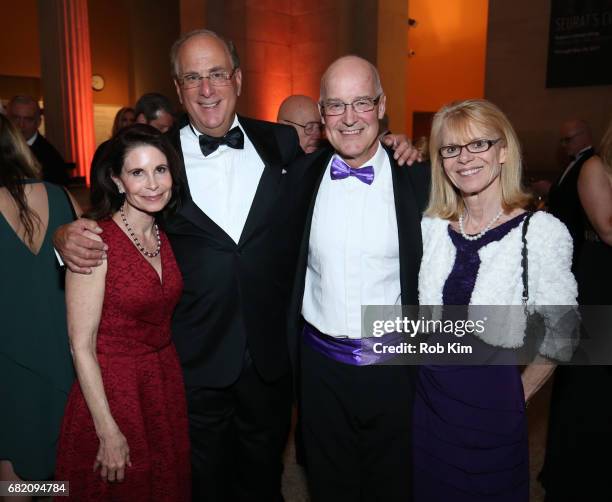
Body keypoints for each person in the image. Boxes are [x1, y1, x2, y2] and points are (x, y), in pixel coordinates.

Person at [54, 29, 418, 501]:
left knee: (265, 477)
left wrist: (394, 144)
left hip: (272, 360)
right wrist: (66, 237)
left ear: (238, 78)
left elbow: (354, 142)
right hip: (191, 360)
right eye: (193, 77)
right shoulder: (158, 159)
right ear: (179, 87)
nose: (207, 89)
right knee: (200, 483)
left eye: (218, 74)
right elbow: (111, 206)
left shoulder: (284, 146)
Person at [416, 99, 578, 501]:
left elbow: (566, 332)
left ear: (503, 150)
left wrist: (515, 397)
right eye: (451, 148)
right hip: (429, 401)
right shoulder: (432, 227)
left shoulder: (540, 233)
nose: (464, 158)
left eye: (479, 145)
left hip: (493, 404)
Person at [286, 55, 430, 501]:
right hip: (320, 371)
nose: (349, 118)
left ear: (382, 105)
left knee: (393, 485)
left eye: (361, 102)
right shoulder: (298, 178)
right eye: (335, 105)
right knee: (330, 486)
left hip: (393, 369)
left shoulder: (419, 180)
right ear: (321, 114)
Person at [54, 125, 190, 501]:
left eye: (160, 170)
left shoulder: (166, 233)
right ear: (117, 181)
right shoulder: (94, 242)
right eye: (137, 172)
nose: (152, 184)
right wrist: (107, 429)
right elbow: (80, 345)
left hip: (162, 381)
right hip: (113, 388)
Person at [0, 114, 76, 490]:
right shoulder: (62, 196)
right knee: (70, 458)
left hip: (9, 353)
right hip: (62, 347)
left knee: (14, 467)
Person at [540, 118, 612, 501]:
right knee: (588, 391)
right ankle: (574, 480)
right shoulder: (596, 167)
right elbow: (608, 228)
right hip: (600, 283)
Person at [547, 119, 595, 269]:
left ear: (584, 135)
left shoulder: (591, 163)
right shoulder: (575, 161)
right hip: (564, 235)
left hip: (577, 236)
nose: (564, 145)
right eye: (562, 141)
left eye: (567, 140)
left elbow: (575, 199)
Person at [7, 95, 69, 186]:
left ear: (38, 122)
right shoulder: (3, 146)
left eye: (28, 119)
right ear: (7, 119)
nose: (21, 125)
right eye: (15, 118)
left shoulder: (51, 159)